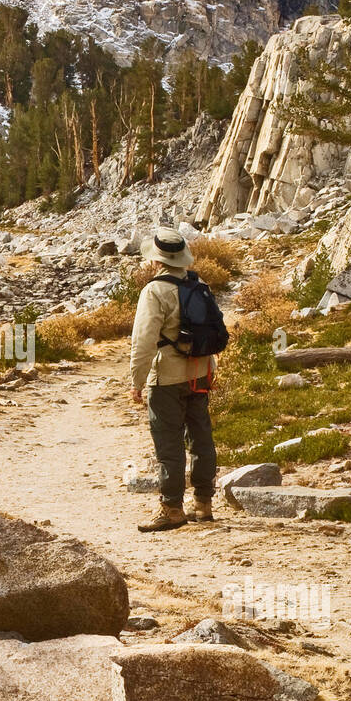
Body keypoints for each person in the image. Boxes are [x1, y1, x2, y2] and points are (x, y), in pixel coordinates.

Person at [129, 226, 217, 531]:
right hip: (200, 374)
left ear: (157, 260)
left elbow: (144, 340)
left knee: (169, 445)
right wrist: (211, 369)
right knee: (201, 438)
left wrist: (136, 381)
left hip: (166, 377)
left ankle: (171, 509)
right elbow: (208, 331)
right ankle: (203, 505)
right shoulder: (200, 284)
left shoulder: (153, 291)